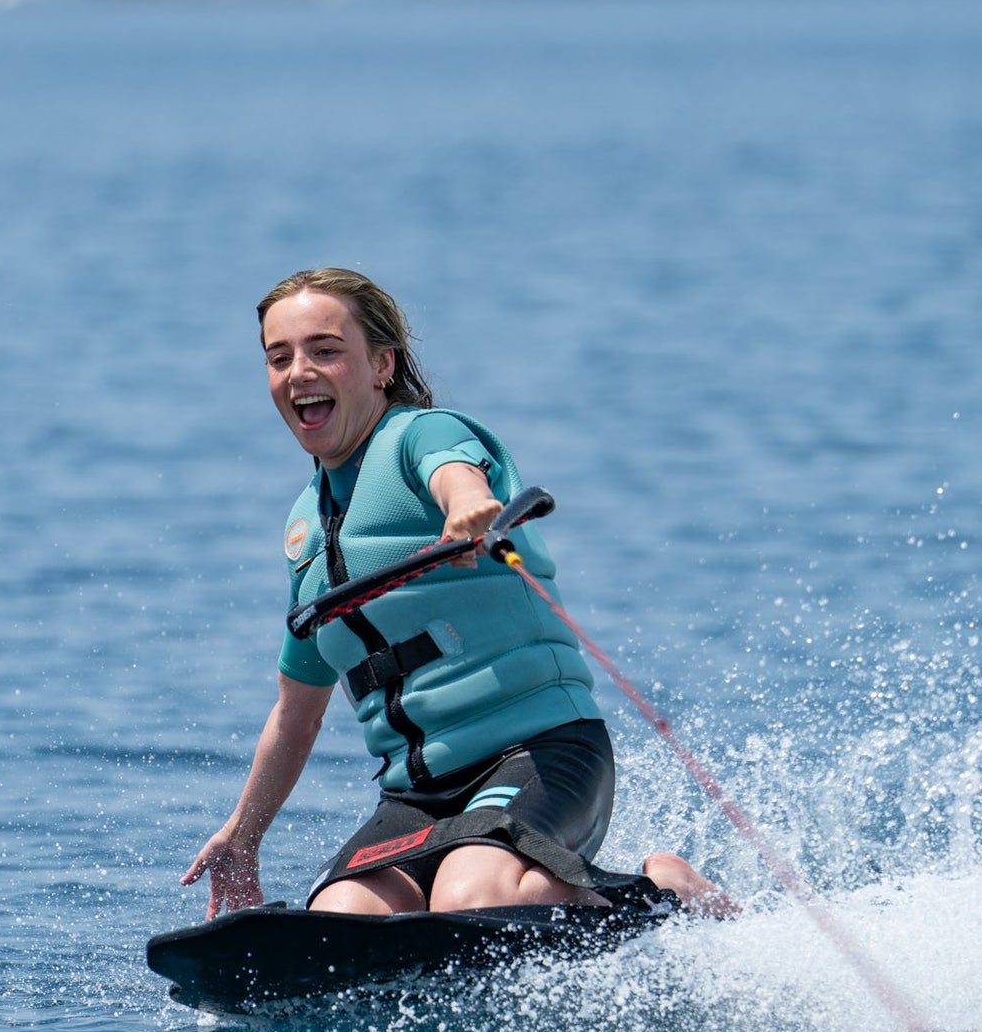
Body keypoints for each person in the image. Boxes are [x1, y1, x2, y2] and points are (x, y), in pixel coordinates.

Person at [183, 268, 735, 921]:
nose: (299, 370)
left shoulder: (422, 437)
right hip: (417, 796)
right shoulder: (306, 530)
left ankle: (665, 891)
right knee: (343, 915)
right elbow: (294, 714)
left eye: (325, 349)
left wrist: (469, 503)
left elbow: (455, 472)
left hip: (540, 752)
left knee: (474, 896)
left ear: (381, 363)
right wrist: (242, 837)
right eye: (280, 358)